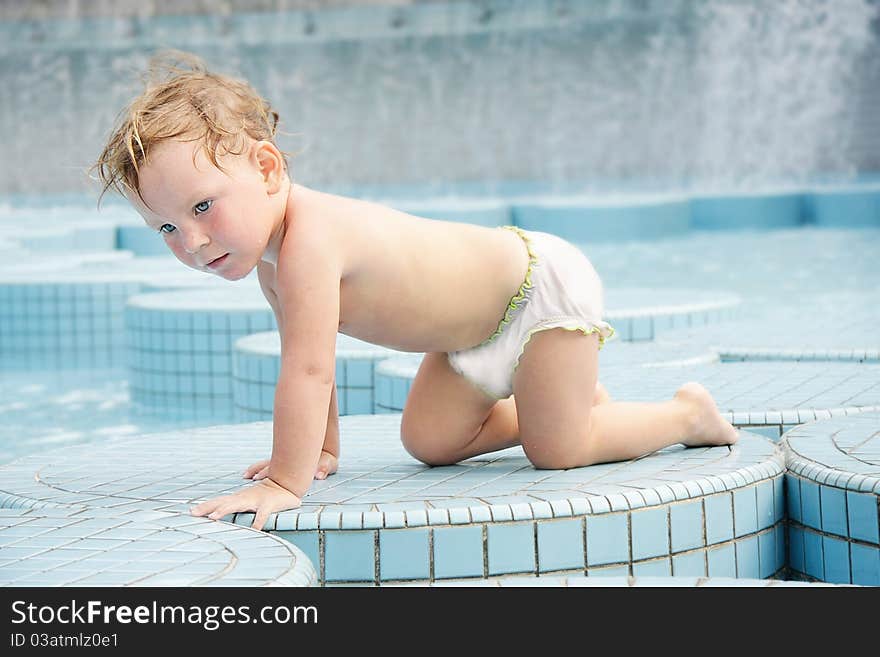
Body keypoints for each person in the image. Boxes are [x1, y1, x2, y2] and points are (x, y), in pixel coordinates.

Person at [93, 51, 738, 531]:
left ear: (266, 167)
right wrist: (320, 449)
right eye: (168, 227)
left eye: (204, 206)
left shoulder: (311, 243)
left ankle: (685, 415)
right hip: (473, 333)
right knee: (429, 442)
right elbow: (310, 352)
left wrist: (288, 482)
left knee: (558, 452)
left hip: (535, 291)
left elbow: (309, 371)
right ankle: (563, 396)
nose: (194, 241)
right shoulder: (272, 261)